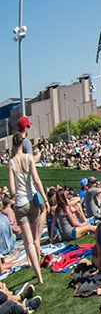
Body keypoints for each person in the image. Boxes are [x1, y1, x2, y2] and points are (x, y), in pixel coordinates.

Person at [7, 118, 46, 286]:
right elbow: (37, 180)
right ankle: (40, 265)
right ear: (22, 143)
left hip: (21, 204)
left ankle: (39, 276)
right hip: (32, 200)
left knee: (28, 241)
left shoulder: (11, 163)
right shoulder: (29, 158)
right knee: (37, 236)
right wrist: (44, 198)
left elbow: (12, 190)